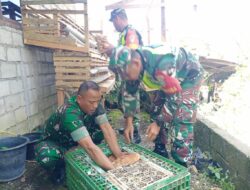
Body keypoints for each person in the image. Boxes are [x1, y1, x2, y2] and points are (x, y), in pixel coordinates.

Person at [107, 45, 204, 167]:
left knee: (181, 116)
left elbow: (175, 98)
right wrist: (129, 123)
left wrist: (158, 123)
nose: (123, 77)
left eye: (124, 73)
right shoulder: (135, 65)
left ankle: (182, 163)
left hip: (189, 78)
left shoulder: (163, 63)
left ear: (136, 64)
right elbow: (130, 92)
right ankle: (160, 149)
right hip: (167, 79)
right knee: (156, 109)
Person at [35, 81, 125, 184]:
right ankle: (60, 167)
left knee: (102, 130)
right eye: (91, 102)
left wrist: (119, 156)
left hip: (74, 139)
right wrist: (115, 171)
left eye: (97, 101)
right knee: (47, 156)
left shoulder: (95, 105)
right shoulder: (69, 112)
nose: (95, 106)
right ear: (79, 99)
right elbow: (90, 148)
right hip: (57, 142)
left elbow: (107, 129)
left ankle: (84, 152)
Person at [104, 8, 143, 144]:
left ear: (118, 19)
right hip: (126, 74)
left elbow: (132, 54)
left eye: (114, 21)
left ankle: (135, 131)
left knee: (132, 100)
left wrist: (113, 51)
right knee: (123, 101)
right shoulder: (124, 34)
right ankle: (129, 125)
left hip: (132, 74)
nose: (114, 25)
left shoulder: (130, 33)